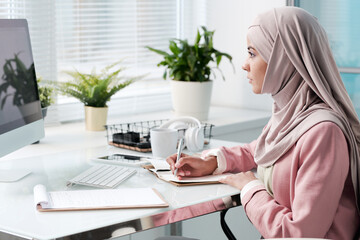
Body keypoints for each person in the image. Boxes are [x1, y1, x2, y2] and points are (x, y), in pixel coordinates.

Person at [167, 6, 360, 239]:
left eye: (252, 53)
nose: (245, 64)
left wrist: (251, 188)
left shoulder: (323, 132)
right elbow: (262, 150)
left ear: (284, 58)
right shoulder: (294, 114)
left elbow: (300, 234)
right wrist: (212, 161)